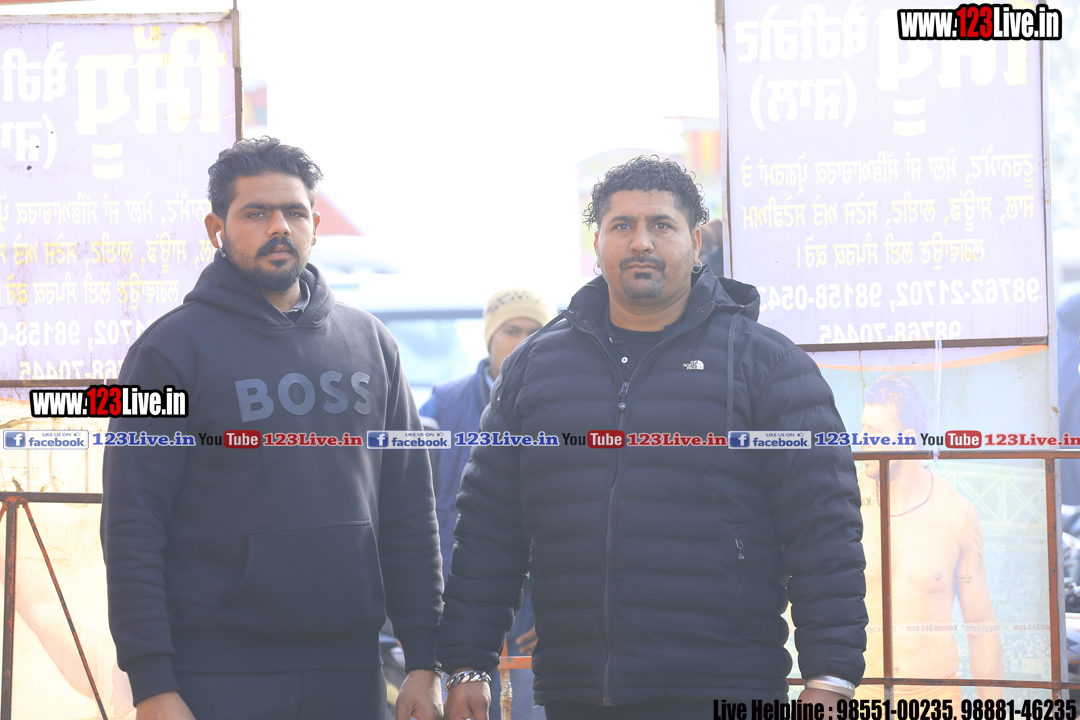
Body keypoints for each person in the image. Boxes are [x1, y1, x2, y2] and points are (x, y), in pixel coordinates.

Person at [438, 155, 867, 720]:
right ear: (598, 244)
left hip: (727, 687)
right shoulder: (534, 369)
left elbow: (823, 527)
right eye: (622, 226)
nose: (640, 241)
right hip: (578, 693)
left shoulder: (765, 365)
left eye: (661, 225)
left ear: (695, 241)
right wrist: (467, 663)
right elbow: (489, 527)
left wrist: (830, 677)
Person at [101, 138, 443, 720]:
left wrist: (425, 658)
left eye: (294, 212)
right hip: (217, 673)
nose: (279, 227)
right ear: (217, 228)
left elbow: (409, 508)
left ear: (315, 226)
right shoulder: (165, 352)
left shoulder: (371, 344)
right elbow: (132, 524)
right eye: (256, 213)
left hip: (351, 671)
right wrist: (152, 684)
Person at [420, 287, 555, 720]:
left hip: (535, 618)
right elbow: (410, 505)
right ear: (489, 337)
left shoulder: (568, 407)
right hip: (457, 607)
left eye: (535, 332)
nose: (522, 341)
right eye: (511, 330)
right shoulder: (443, 404)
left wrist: (556, 616)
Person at [856, 374, 1004, 701]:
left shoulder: (956, 514)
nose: (862, 441)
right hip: (860, 694)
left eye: (873, 434)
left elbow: (981, 627)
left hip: (934, 697)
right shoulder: (842, 503)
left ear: (908, 439)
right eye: (862, 429)